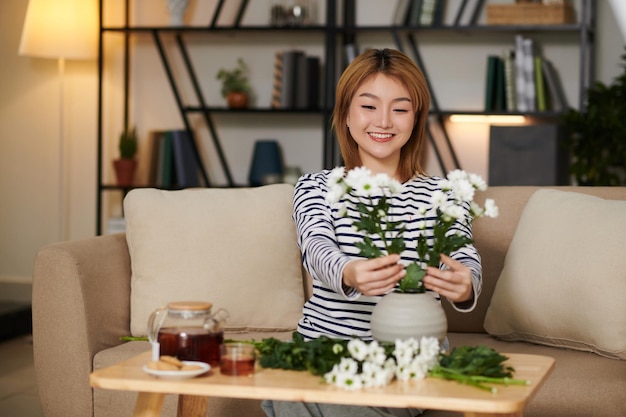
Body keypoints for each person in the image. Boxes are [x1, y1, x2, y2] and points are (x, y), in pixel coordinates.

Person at [261, 48, 482, 417]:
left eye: (400, 108)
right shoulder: (316, 186)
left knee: (288, 397)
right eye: (368, 106)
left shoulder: (444, 194)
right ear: (345, 114)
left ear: (415, 119)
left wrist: (466, 283)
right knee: (288, 388)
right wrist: (348, 272)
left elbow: (461, 253)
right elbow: (316, 248)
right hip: (322, 347)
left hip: (407, 356)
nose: (384, 120)